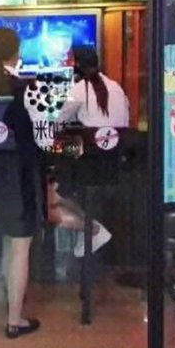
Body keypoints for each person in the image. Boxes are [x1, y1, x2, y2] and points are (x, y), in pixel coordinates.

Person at [0, 28, 41, 339]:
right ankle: (14, 320)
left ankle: (10, 306)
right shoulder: (24, 88)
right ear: (16, 53)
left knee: (7, 241)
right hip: (19, 177)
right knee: (20, 247)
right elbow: (37, 134)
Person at [54, 46, 129, 257]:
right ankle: (90, 227)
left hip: (88, 165)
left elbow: (57, 122)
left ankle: (89, 226)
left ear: (76, 66)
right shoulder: (116, 87)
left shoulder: (79, 90)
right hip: (114, 164)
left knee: (53, 183)